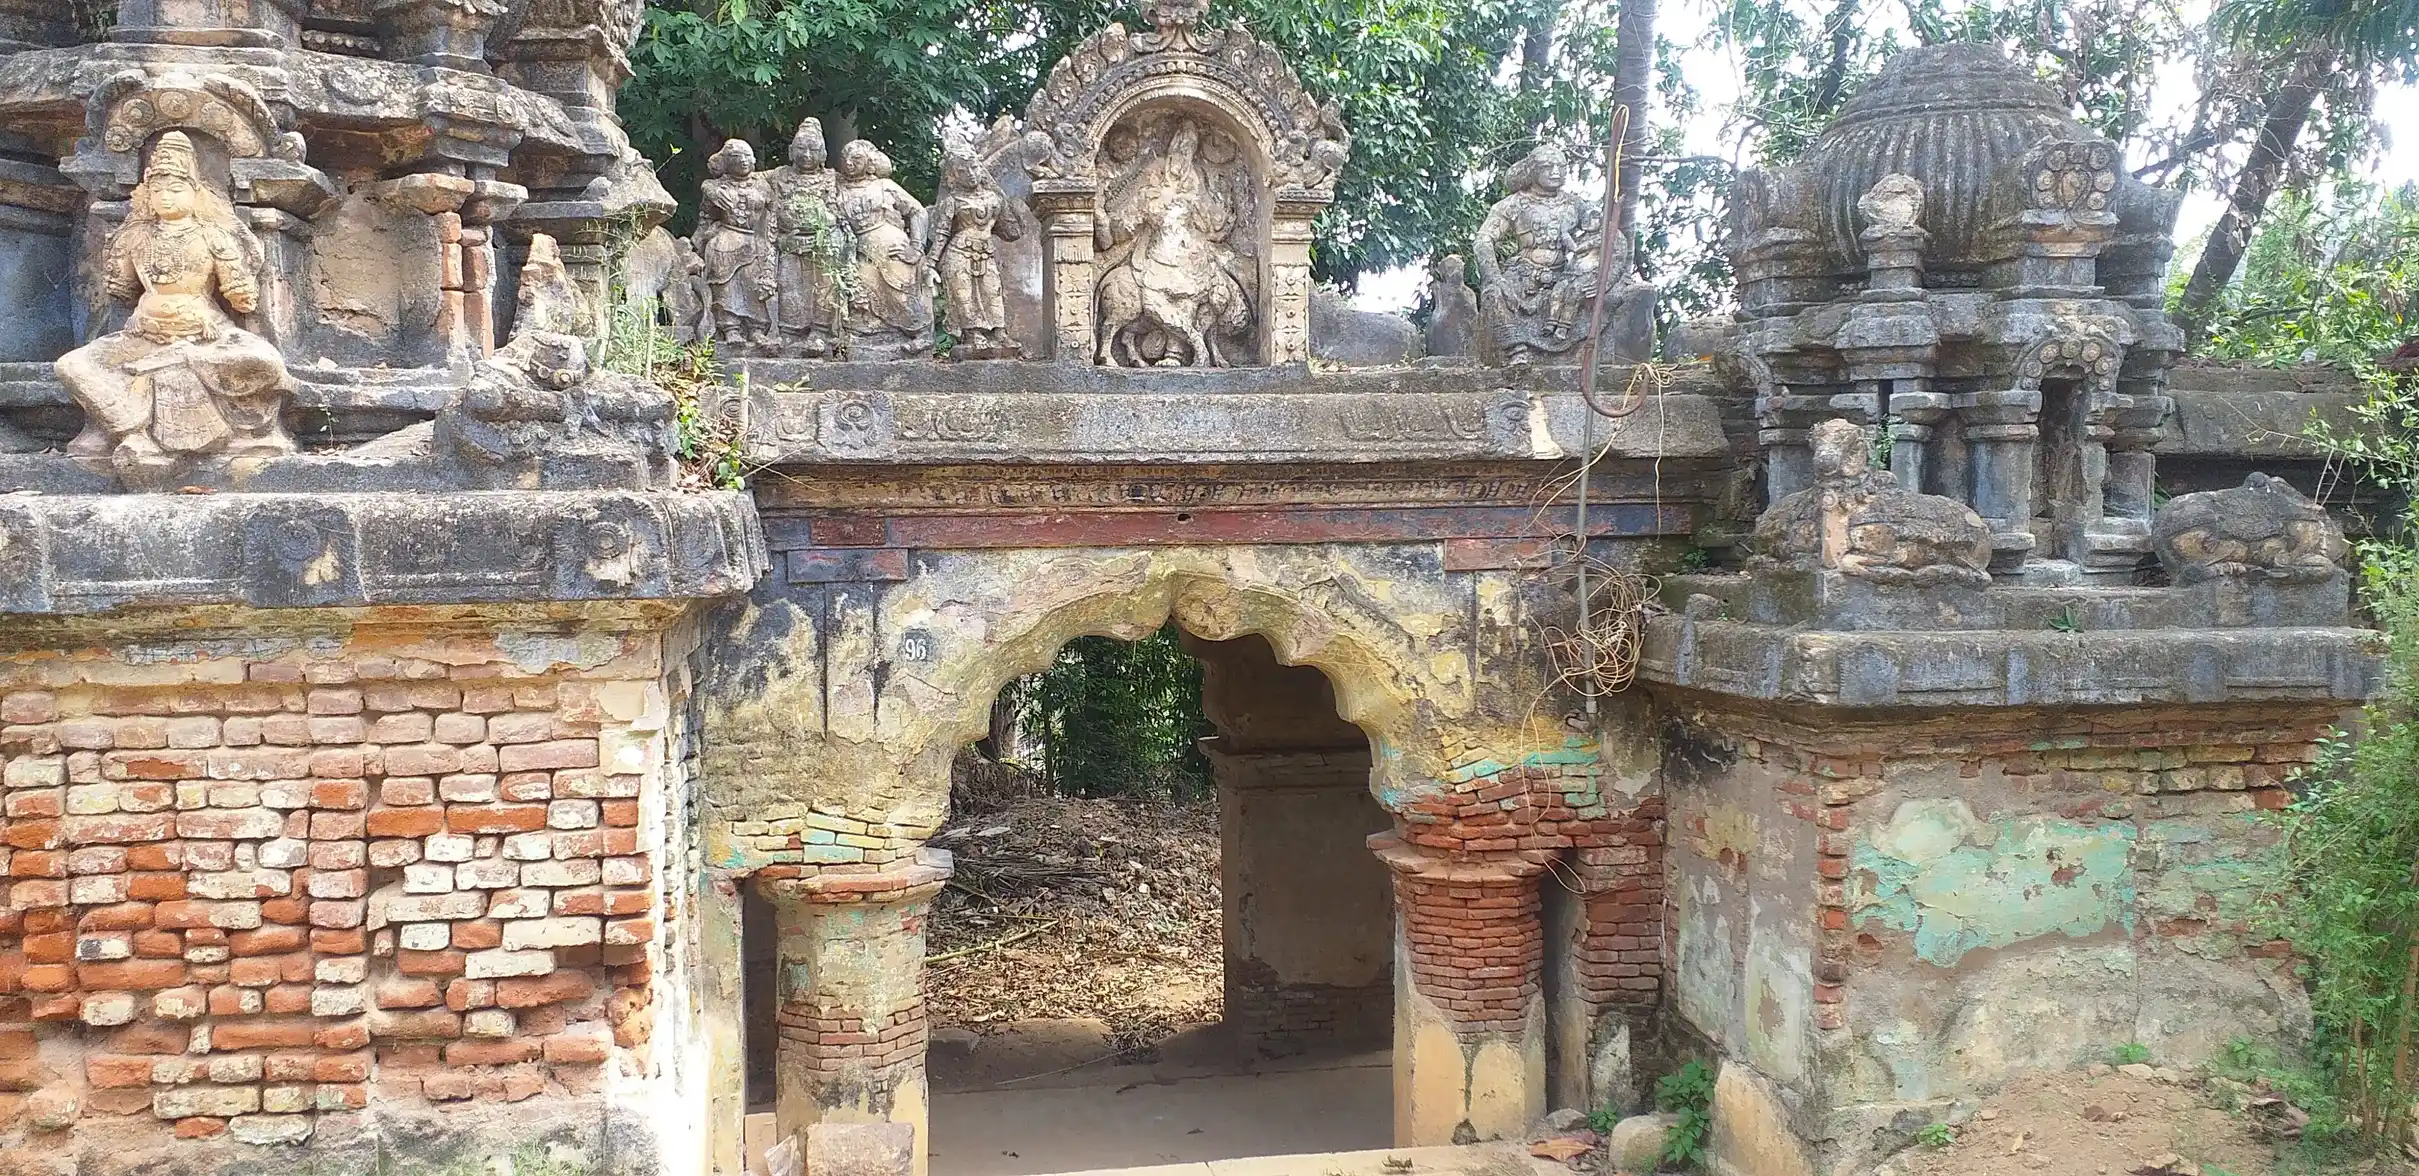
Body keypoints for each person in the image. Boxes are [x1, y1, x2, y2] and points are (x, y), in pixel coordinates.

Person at [57, 130, 293, 481]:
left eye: (176, 189)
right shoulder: (135, 235)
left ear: (196, 193)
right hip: (142, 337)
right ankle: (133, 433)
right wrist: (118, 257)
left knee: (266, 362)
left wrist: (239, 281)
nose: (165, 197)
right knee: (71, 365)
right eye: (157, 190)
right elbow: (122, 290)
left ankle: (180, 384)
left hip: (205, 339)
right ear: (147, 194)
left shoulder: (212, 235)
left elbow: (242, 298)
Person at [832, 139, 934, 359]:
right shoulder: (835, 187)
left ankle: (921, 334)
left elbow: (918, 211)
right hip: (856, 247)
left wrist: (917, 247)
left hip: (889, 243)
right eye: (846, 159)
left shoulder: (883, 185)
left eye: (856, 159)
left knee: (897, 289)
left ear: (870, 163)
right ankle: (870, 337)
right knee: (861, 291)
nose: (849, 163)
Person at [929, 148, 1023, 360]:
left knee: (992, 291)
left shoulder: (994, 198)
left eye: (974, 168)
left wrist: (1010, 205)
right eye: (963, 171)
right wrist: (931, 262)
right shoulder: (952, 201)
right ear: (954, 175)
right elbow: (942, 233)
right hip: (958, 252)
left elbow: (1012, 232)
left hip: (986, 252)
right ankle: (973, 334)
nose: (970, 174)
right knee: (964, 295)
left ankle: (999, 332)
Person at [763, 118, 840, 356]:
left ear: (824, 154)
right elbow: (744, 178)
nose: (806, 155)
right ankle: (790, 334)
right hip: (787, 242)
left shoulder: (833, 178)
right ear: (790, 151)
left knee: (824, 284)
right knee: (789, 284)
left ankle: (819, 332)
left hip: (823, 242)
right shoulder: (777, 176)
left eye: (813, 150)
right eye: (801, 149)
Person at [691, 139, 776, 348]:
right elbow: (705, 217)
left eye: (747, 156)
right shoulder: (717, 187)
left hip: (753, 242)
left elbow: (773, 215)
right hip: (725, 240)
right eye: (737, 157)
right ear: (727, 162)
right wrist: (701, 240)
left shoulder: (763, 185)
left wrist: (771, 243)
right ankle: (730, 328)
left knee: (753, 285)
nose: (743, 161)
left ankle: (756, 329)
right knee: (725, 285)